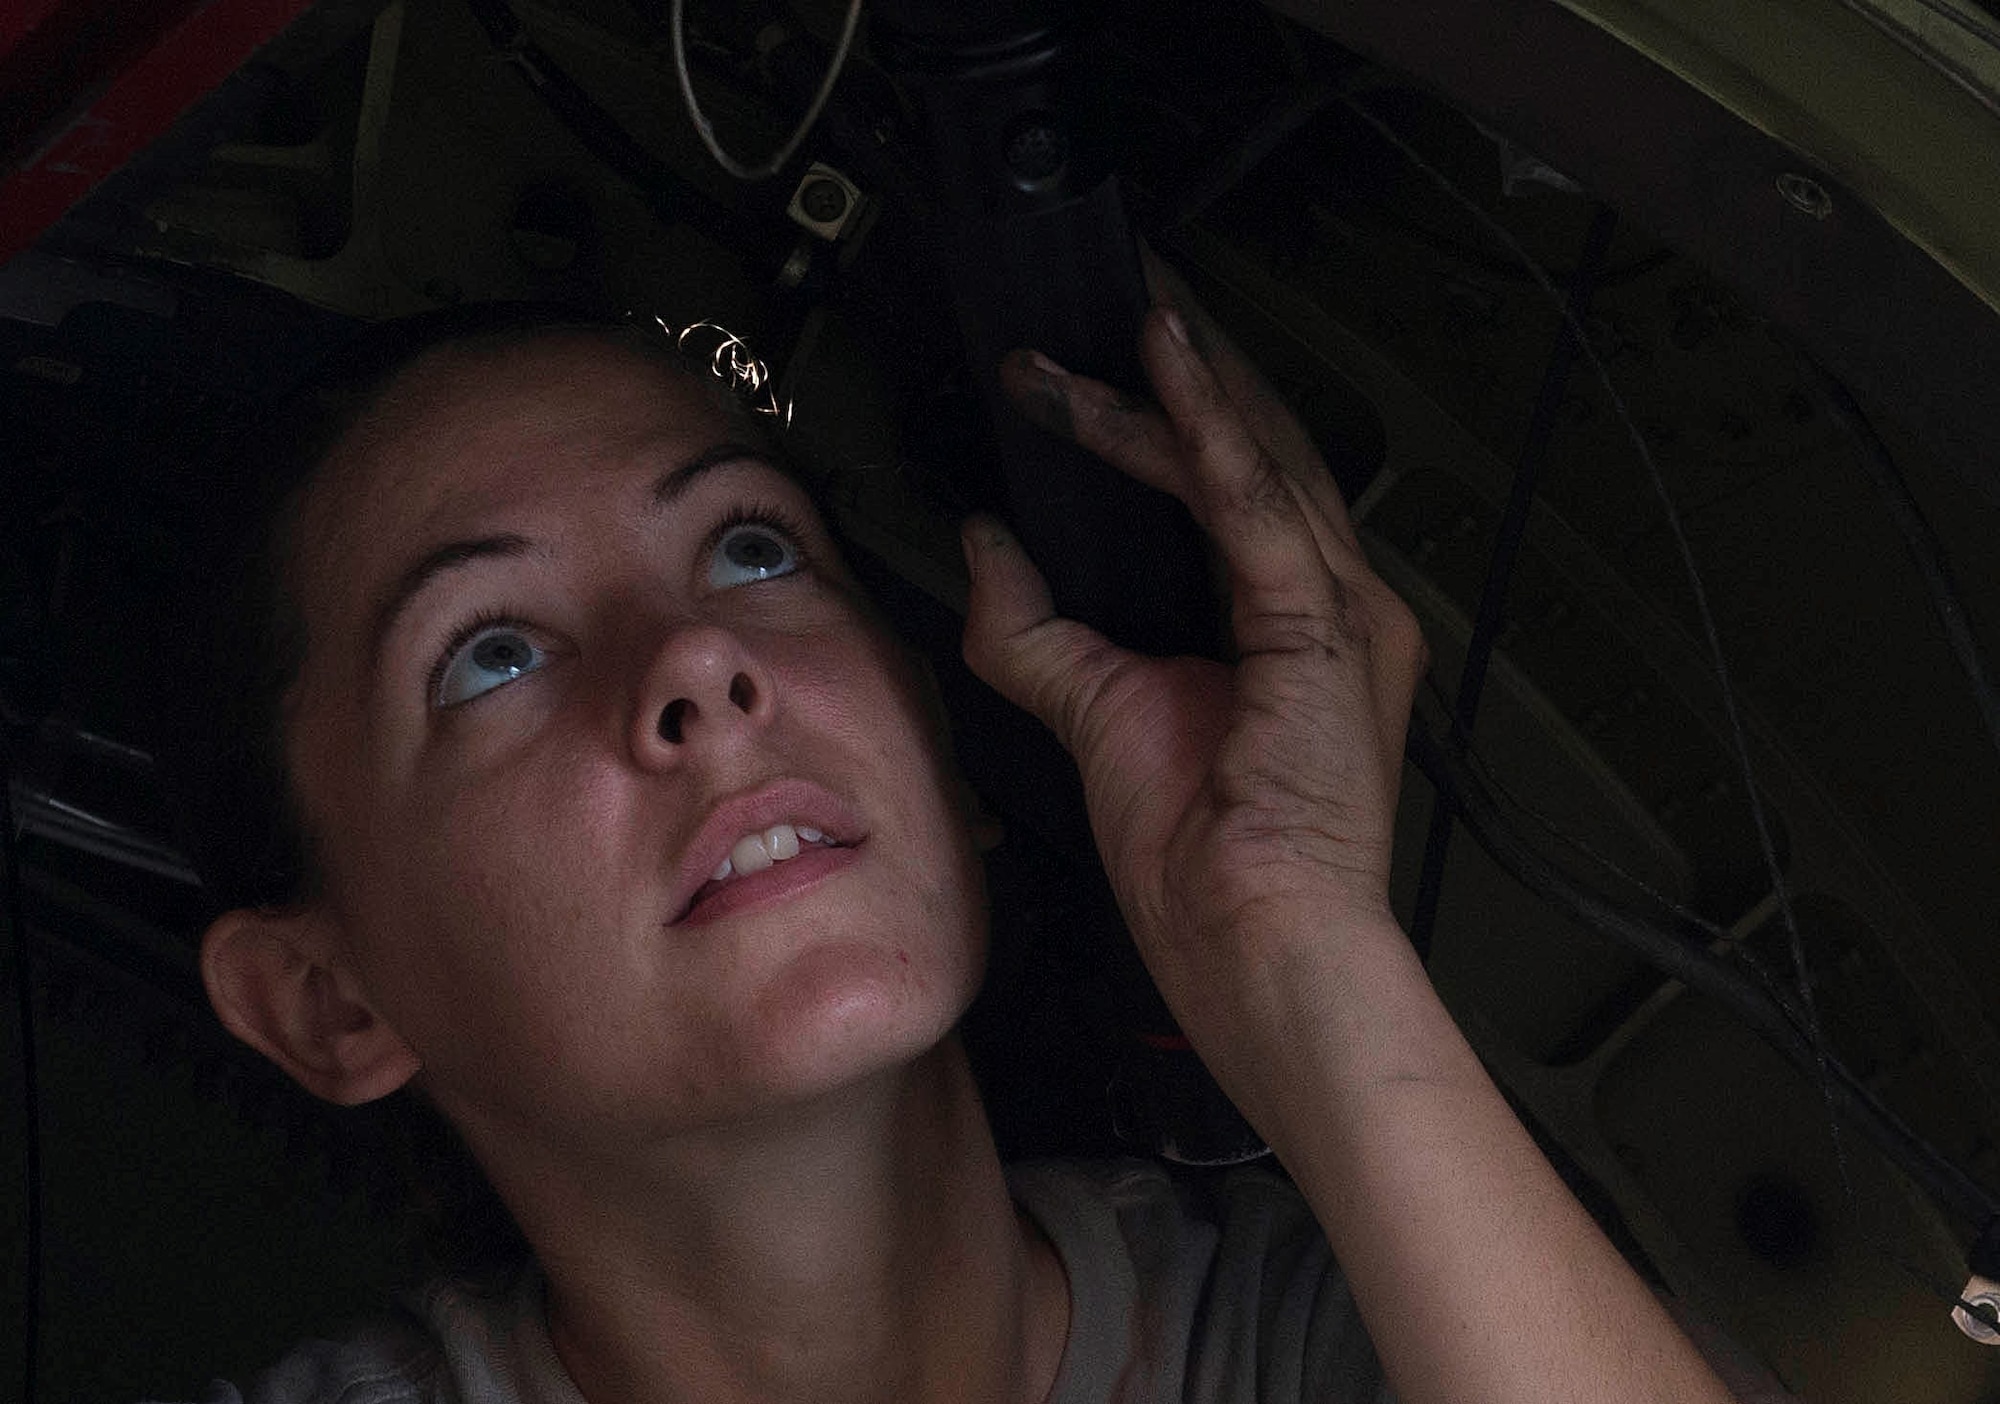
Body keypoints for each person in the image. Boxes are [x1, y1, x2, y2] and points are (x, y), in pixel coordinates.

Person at [161, 258, 1743, 1404]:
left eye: (752, 550)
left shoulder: (1334, 1341)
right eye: (490, 651)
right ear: (329, 1001)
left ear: (942, 752)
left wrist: (1304, 942)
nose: (700, 662)